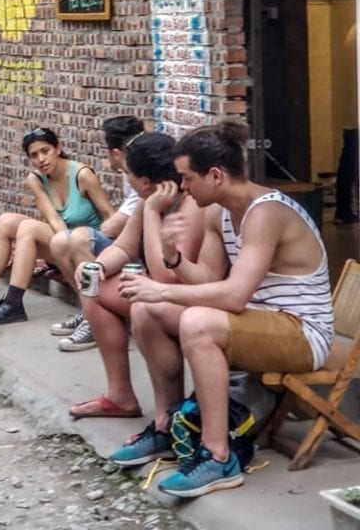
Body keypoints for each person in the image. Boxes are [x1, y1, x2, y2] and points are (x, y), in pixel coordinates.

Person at [109, 119, 333, 499]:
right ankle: (166, 425)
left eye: (186, 178)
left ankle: (218, 456)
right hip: (260, 322)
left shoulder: (267, 212)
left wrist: (162, 290)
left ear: (215, 175)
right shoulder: (219, 212)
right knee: (146, 310)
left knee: (196, 321)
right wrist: (173, 257)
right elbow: (207, 278)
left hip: (302, 333)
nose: (182, 187)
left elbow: (232, 297)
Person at [68, 132, 204, 418]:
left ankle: (168, 414)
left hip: (192, 298)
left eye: (128, 172)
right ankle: (120, 395)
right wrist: (98, 267)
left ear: (144, 181)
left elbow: (166, 275)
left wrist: (153, 213)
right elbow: (124, 247)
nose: (125, 177)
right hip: (161, 291)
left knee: (145, 306)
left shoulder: (190, 205)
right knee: (92, 287)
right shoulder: (147, 200)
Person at [0, 128, 115, 326]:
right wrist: (63, 244)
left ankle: (13, 303)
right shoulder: (35, 179)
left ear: (58, 149)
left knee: (29, 228)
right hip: (62, 242)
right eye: (34, 155)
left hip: (88, 247)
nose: (41, 159)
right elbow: (53, 219)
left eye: (45, 151)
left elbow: (109, 216)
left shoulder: (82, 174)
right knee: (5, 221)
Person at [48, 115, 144, 350]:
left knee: (81, 237)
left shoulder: (140, 171)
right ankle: (88, 309)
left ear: (115, 152)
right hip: (130, 241)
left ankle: (95, 322)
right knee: (60, 241)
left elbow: (114, 225)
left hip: (143, 250)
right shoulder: (127, 171)